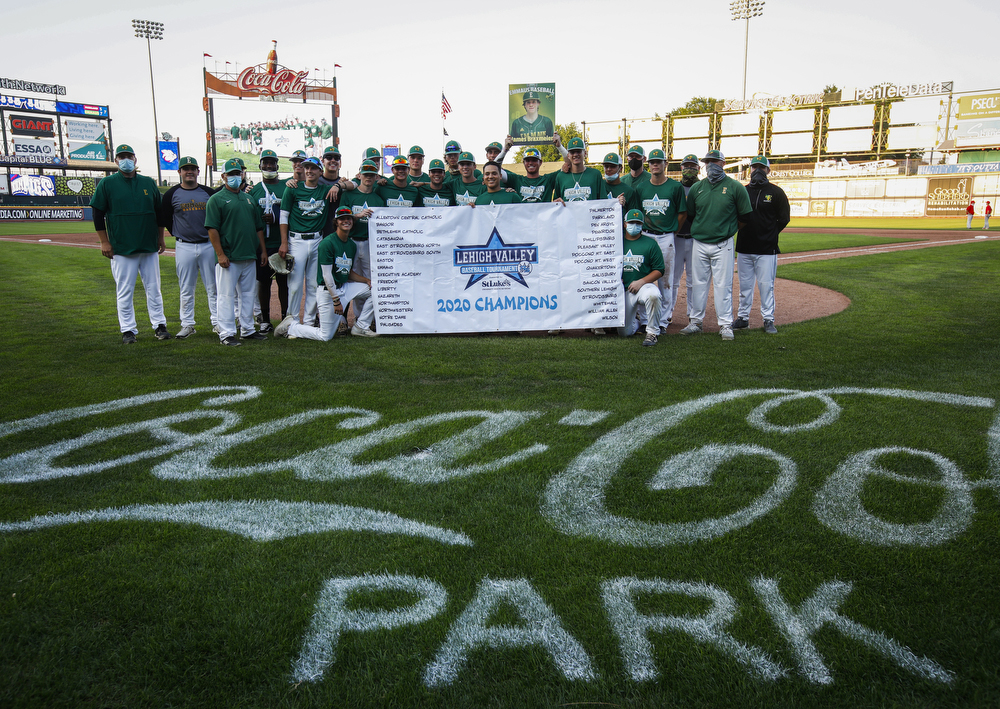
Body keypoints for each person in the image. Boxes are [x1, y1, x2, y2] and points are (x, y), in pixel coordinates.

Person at [91, 144, 171, 344]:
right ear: (116, 160)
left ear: (135, 159)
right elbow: (98, 213)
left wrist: (160, 238)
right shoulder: (107, 183)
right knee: (125, 290)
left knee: (154, 288)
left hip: (148, 245)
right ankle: (128, 330)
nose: (126, 160)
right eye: (122, 157)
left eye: (129, 156)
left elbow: (159, 213)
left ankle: (160, 325)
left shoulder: (148, 182)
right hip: (122, 247)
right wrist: (104, 242)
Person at [680, 150, 753, 341]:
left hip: (723, 243)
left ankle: (725, 324)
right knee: (698, 284)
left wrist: (727, 230)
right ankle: (696, 322)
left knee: (723, 285)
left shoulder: (735, 187)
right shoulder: (698, 188)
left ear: (723, 163)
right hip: (700, 242)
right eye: (708, 162)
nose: (711, 165)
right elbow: (693, 215)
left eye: (714, 161)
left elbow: (745, 216)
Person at [274, 207, 377, 340]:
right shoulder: (327, 243)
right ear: (336, 222)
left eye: (349, 218)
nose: (346, 221)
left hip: (344, 287)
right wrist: (336, 301)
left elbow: (348, 272)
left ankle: (361, 327)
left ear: (352, 221)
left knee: (376, 290)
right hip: (328, 293)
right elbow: (327, 276)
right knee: (325, 336)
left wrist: (366, 281)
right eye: (342, 219)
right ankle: (291, 326)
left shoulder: (351, 244)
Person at [205, 158, 268, 347]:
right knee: (225, 296)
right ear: (223, 176)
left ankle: (248, 329)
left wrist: (262, 251)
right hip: (229, 257)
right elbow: (212, 229)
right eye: (231, 174)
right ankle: (226, 333)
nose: (235, 177)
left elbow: (258, 228)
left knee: (248, 294)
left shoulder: (249, 199)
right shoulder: (216, 199)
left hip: (249, 255)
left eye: (237, 173)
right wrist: (220, 254)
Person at [161, 156, 217, 338]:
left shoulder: (209, 192)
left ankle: (217, 322)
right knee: (186, 288)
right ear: (180, 172)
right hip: (184, 246)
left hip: (208, 245)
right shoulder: (171, 194)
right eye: (186, 169)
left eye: (193, 168)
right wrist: (178, 233)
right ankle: (187, 324)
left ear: (198, 171)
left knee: (213, 287)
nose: (189, 171)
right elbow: (166, 219)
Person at [280, 156, 340, 326]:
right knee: (295, 285)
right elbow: (284, 216)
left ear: (320, 172)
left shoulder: (324, 190)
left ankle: (309, 322)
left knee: (314, 285)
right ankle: (291, 322)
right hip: (296, 240)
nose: (309, 171)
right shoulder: (292, 189)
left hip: (317, 240)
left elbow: (353, 184)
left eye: (313, 168)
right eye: (306, 168)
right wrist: (284, 242)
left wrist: (338, 184)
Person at [733, 155, 790, 335]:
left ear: (768, 170)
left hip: (767, 249)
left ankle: (768, 319)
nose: (757, 171)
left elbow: (784, 218)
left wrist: (770, 233)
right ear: (749, 170)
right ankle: (743, 318)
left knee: (767, 286)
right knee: (745, 286)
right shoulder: (743, 191)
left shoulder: (776, 192)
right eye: (754, 167)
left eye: (761, 167)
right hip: (744, 247)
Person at [632, 148, 686, 324]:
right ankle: (646, 320)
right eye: (652, 162)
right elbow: (638, 212)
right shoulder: (642, 187)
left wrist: (673, 230)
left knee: (666, 280)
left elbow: (682, 213)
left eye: (658, 161)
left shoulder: (675, 187)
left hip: (666, 237)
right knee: (643, 275)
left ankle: (662, 321)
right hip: (646, 235)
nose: (655, 164)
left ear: (665, 164)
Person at [248, 149, 288, 332]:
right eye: (266, 163)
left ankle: (285, 318)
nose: (269, 166)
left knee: (283, 283)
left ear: (277, 165)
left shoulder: (286, 187)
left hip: (280, 243)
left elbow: (291, 214)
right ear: (260, 166)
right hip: (262, 244)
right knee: (263, 282)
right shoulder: (254, 190)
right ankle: (265, 320)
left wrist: (276, 216)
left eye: (272, 163)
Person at [619, 209, 664, 347]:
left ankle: (652, 333)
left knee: (653, 295)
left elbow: (659, 270)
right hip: (623, 291)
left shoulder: (650, 243)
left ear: (642, 225)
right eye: (631, 222)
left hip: (642, 286)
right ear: (625, 224)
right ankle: (637, 322)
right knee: (624, 333)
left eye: (638, 223)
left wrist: (642, 281)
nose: (635, 225)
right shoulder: (616, 242)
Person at [669, 154, 701, 326]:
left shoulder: (703, 187)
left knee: (692, 280)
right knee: (673, 279)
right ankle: (668, 312)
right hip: (677, 238)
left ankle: (692, 313)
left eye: (692, 165)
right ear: (681, 168)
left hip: (696, 239)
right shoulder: (675, 188)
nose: (689, 168)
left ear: (698, 168)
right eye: (686, 165)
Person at [551, 137, 607, 203]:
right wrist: (556, 202)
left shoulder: (595, 174)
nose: (575, 154)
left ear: (585, 153)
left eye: (579, 151)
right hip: (568, 213)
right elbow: (556, 202)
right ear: (568, 155)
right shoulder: (561, 176)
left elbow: (604, 202)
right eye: (572, 152)